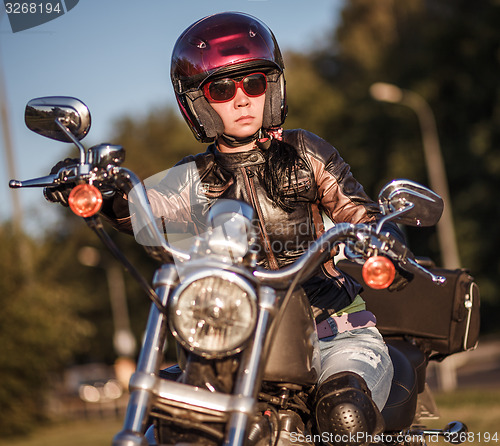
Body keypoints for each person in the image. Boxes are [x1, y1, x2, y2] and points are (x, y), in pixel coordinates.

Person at [48, 12, 409, 445]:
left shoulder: (307, 152)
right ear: (198, 102)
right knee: (168, 418)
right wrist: (101, 191)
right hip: (236, 344)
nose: (242, 99)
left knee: (344, 413)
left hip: (335, 333)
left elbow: (358, 210)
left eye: (254, 83)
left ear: (272, 89)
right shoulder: (190, 179)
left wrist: (379, 239)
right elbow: (142, 211)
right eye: (222, 88)